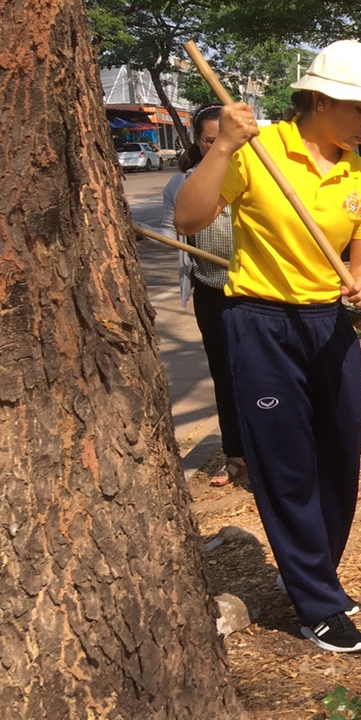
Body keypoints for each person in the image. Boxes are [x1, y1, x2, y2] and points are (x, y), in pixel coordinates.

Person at [174, 39, 361, 654]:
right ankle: (317, 605)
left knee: (342, 452)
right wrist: (223, 146)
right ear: (320, 100)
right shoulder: (259, 149)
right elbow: (189, 219)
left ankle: (313, 572)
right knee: (286, 464)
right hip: (261, 323)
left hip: (329, 326)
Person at [160, 105, 245, 488]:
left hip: (254, 289)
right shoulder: (182, 184)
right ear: (198, 141)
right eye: (211, 140)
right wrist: (155, 236)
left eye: (226, 138)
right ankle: (236, 455)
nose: (219, 147)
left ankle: (270, 450)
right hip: (211, 291)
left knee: (261, 374)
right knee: (224, 376)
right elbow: (171, 230)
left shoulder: (253, 173)